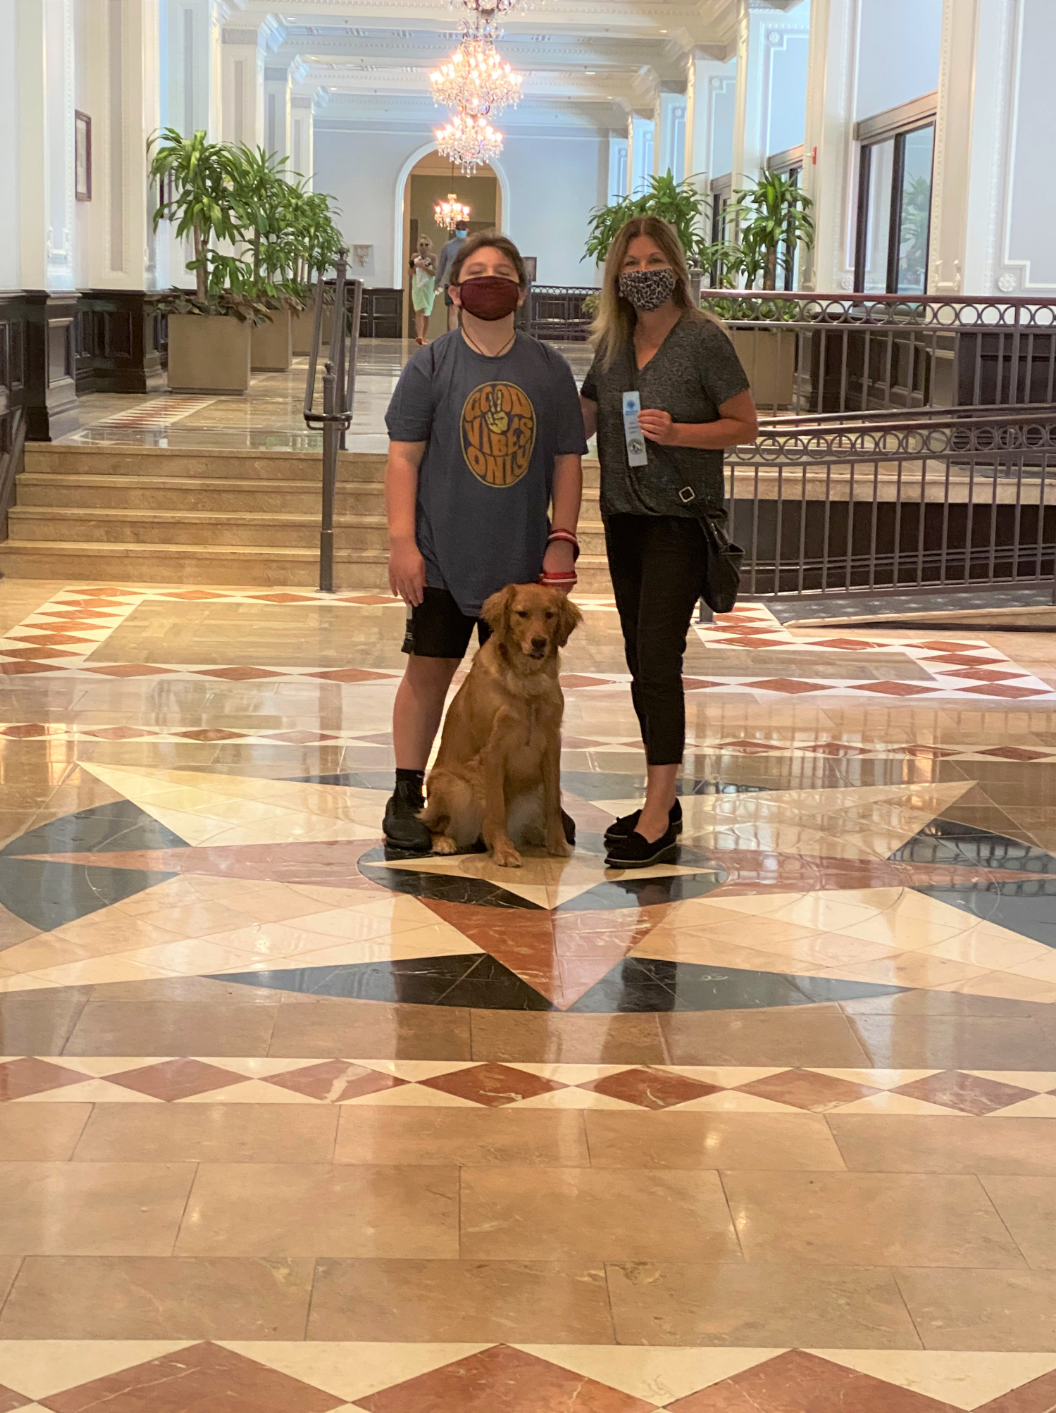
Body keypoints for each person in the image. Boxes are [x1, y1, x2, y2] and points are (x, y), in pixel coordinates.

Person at [382, 229, 587, 851]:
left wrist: (562, 538)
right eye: (476, 273)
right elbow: (403, 459)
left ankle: (535, 800)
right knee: (429, 673)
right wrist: (402, 543)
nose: (489, 281)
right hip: (443, 556)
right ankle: (407, 790)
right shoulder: (430, 365)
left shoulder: (548, 368)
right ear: (453, 291)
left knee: (527, 689)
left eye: (502, 273)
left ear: (521, 292)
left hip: (521, 563)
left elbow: (568, 459)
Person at [579, 215, 758, 869]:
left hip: (680, 521)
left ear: (676, 268)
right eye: (631, 264)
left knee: (658, 659)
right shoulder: (612, 344)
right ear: (616, 277)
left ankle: (658, 813)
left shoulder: (703, 339)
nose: (644, 273)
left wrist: (680, 433)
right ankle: (661, 798)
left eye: (654, 261)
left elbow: (745, 425)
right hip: (623, 518)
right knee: (638, 658)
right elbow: (585, 415)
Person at [435, 219, 469, 332]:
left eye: (463, 229)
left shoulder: (471, 245)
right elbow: (442, 265)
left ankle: (466, 334)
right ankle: (453, 334)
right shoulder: (448, 246)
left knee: (467, 309)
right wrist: (437, 282)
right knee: (453, 309)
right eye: (458, 229)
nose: (461, 231)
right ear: (455, 230)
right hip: (451, 281)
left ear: (467, 230)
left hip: (467, 281)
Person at [409, 236, 437, 345]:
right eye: (421, 245)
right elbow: (409, 271)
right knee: (419, 310)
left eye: (426, 245)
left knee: (426, 311)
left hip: (428, 286)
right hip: (418, 286)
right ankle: (419, 335)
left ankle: (424, 336)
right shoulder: (414, 257)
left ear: (430, 246)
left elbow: (435, 273)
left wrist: (424, 267)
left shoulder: (433, 258)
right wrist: (415, 266)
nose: (423, 247)